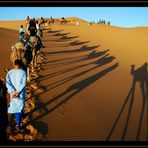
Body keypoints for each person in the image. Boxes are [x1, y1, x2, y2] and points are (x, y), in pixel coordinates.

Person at [6, 59, 27, 133]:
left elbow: (8, 84)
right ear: (20, 64)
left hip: (13, 94)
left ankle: (21, 117)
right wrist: (18, 92)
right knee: (19, 108)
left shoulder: (9, 72)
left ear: (14, 64)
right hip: (20, 94)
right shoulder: (23, 72)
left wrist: (13, 92)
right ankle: (18, 125)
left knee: (15, 107)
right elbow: (23, 84)